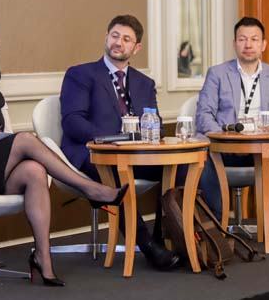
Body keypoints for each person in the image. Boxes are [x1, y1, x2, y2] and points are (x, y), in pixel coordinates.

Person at [0, 24, 128, 287]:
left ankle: (43, 259)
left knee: (34, 170)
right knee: (26, 139)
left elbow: (6, 135)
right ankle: (91, 189)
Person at [60, 14, 180, 271]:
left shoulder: (144, 83)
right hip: (92, 155)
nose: (118, 42)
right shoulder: (80, 74)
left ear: (136, 48)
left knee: (180, 167)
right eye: (115, 36)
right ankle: (148, 245)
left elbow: (155, 124)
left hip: (135, 155)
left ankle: (169, 236)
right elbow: (72, 122)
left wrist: (143, 138)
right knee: (116, 172)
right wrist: (110, 141)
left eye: (126, 39)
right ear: (106, 37)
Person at [195, 16, 269, 245]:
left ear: (263, 44)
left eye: (254, 39)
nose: (248, 44)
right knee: (202, 154)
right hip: (225, 150)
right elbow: (204, 115)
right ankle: (216, 224)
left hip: (263, 149)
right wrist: (226, 140)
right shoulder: (217, 73)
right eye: (242, 39)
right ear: (234, 43)